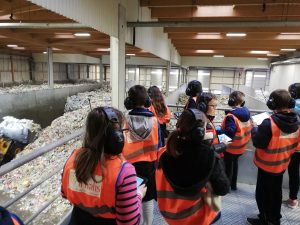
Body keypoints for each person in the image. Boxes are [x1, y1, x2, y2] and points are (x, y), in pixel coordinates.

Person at [61, 107, 146, 225]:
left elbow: (64, 194)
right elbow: (129, 222)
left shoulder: (73, 157)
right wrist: (138, 195)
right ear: (117, 138)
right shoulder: (125, 171)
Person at [156, 108, 230, 225]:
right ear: (200, 132)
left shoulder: (164, 152)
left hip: (170, 215)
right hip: (198, 218)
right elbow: (223, 188)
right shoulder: (209, 156)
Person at [247, 89, 300, 225]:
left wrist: (254, 128)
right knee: (276, 193)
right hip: (282, 164)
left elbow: (258, 143)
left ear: (272, 104)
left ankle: (264, 218)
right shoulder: (296, 122)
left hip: (266, 166)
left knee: (262, 194)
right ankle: (274, 219)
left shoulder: (268, 123)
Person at [123, 85, 162, 225]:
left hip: (128, 166)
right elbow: (159, 145)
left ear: (129, 101)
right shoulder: (154, 121)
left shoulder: (125, 120)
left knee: (130, 196)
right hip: (149, 165)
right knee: (148, 197)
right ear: (147, 100)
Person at [217, 91, 251, 191]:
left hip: (231, 147)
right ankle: (233, 185)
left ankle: (226, 187)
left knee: (228, 167)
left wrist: (218, 131)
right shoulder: (246, 113)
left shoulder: (231, 117)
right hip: (241, 147)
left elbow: (230, 132)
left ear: (231, 101)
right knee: (234, 165)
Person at [196, 92, 227, 157]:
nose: (215, 109)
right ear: (203, 107)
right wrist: (223, 144)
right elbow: (206, 150)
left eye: (216, 106)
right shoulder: (202, 125)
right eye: (213, 106)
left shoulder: (207, 119)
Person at [285, 83, 300, 209]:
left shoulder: (293, 106)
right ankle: (294, 199)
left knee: (293, 173)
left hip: (294, 147)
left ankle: (292, 199)